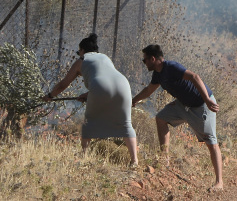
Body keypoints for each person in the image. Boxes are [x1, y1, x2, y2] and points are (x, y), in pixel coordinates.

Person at [131, 44, 223, 192]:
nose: (145, 63)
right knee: (161, 118)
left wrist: (207, 99)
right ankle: (165, 159)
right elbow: (148, 90)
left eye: (145, 60)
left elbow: (194, 77)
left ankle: (219, 183)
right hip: (183, 105)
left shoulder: (171, 67)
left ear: (153, 58)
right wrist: (133, 101)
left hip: (202, 105)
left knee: (211, 142)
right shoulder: (158, 74)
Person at [43, 33, 138, 166]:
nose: (79, 54)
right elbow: (109, 80)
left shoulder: (81, 60)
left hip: (100, 87)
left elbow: (63, 85)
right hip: (123, 85)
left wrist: (50, 96)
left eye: (78, 51)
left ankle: (84, 157)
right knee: (126, 124)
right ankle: (134, 161)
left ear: (82, 50)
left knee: (89, 122)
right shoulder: (105, 57)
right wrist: (88, 94)